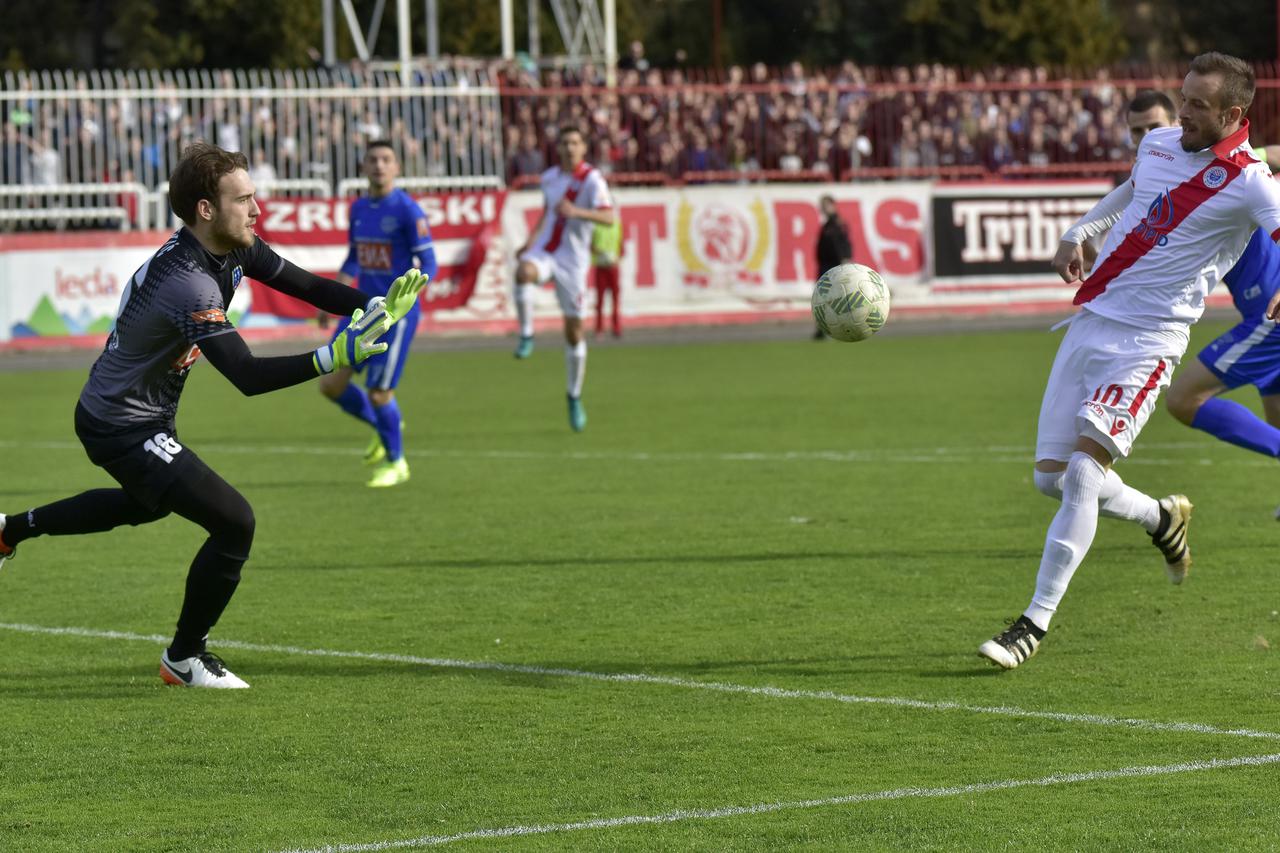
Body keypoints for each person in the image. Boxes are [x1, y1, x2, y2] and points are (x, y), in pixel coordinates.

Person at [0, 142, 426, 688]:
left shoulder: (233, 247)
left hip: (137, 413)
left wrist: (372, 304)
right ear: (206, 209)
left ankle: (10, 530)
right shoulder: (187, 282)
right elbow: (246, 376)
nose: (256, 210)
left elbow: (303, 283)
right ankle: (185, 657)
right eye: (244, 199)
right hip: (119, 422)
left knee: (145, 505)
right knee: (234, 520)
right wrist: (334, 356)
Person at [979, 52, 1280, 670]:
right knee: (1050, 479)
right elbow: (1130, 188)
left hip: (1148, 343)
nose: (1183, 112)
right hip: (1091, 323)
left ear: (1233, 113)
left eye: (1198, 104)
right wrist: (1079, 230)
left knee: (1085, 476)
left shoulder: (1251, 180)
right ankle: (1160, 516)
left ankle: (1031, 624)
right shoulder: (1162, 145)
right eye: (1184, 96)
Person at [318, 141, 438, 488]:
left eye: (386, 159)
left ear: (397, 167)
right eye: (372, 160)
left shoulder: (408, 211)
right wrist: (332, 297)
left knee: (379, 393)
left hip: (393, 317)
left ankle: (397, 463)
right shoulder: (358, 209)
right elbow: (354, 258)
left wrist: (408, 298)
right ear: (363, 166)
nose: (379, 165)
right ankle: (385, 425)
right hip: (360, 310)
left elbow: (429, 262)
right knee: (330, 384)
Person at [511, 125, 615, 432]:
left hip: (574, 261)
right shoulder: (549, 178)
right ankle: (527, 334)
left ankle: (573, 395)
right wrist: (530, 241)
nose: (570, 147)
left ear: (583, 148)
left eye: (575, 142)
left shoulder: (593, 181)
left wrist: (578, 212)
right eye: (565, 142)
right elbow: (547, 213)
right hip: (547, 251)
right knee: (523, 272)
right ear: (558, 148)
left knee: (574, 332)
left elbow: (609, 218)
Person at [814, 194, 853, 339]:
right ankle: (822, 328)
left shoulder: (838, 223)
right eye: (822, 205)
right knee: (823, 299)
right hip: (825, 266)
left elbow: (844, 244)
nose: (823, 208)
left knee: (839, 298)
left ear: (833, 205)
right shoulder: (827, 226)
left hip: (835, 266)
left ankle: (846, 326)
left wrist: (845, 260)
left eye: (826, 205)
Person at [591, 215, 624, 338]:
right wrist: (600, 252)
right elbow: (590, 245)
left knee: (615, 300)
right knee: (600, 301)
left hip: (613, 268)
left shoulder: (617, 225)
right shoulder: (595, 226)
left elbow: (621, 246)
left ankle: (616, 328)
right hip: (601, 267)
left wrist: (617, 258)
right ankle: (599, 329)